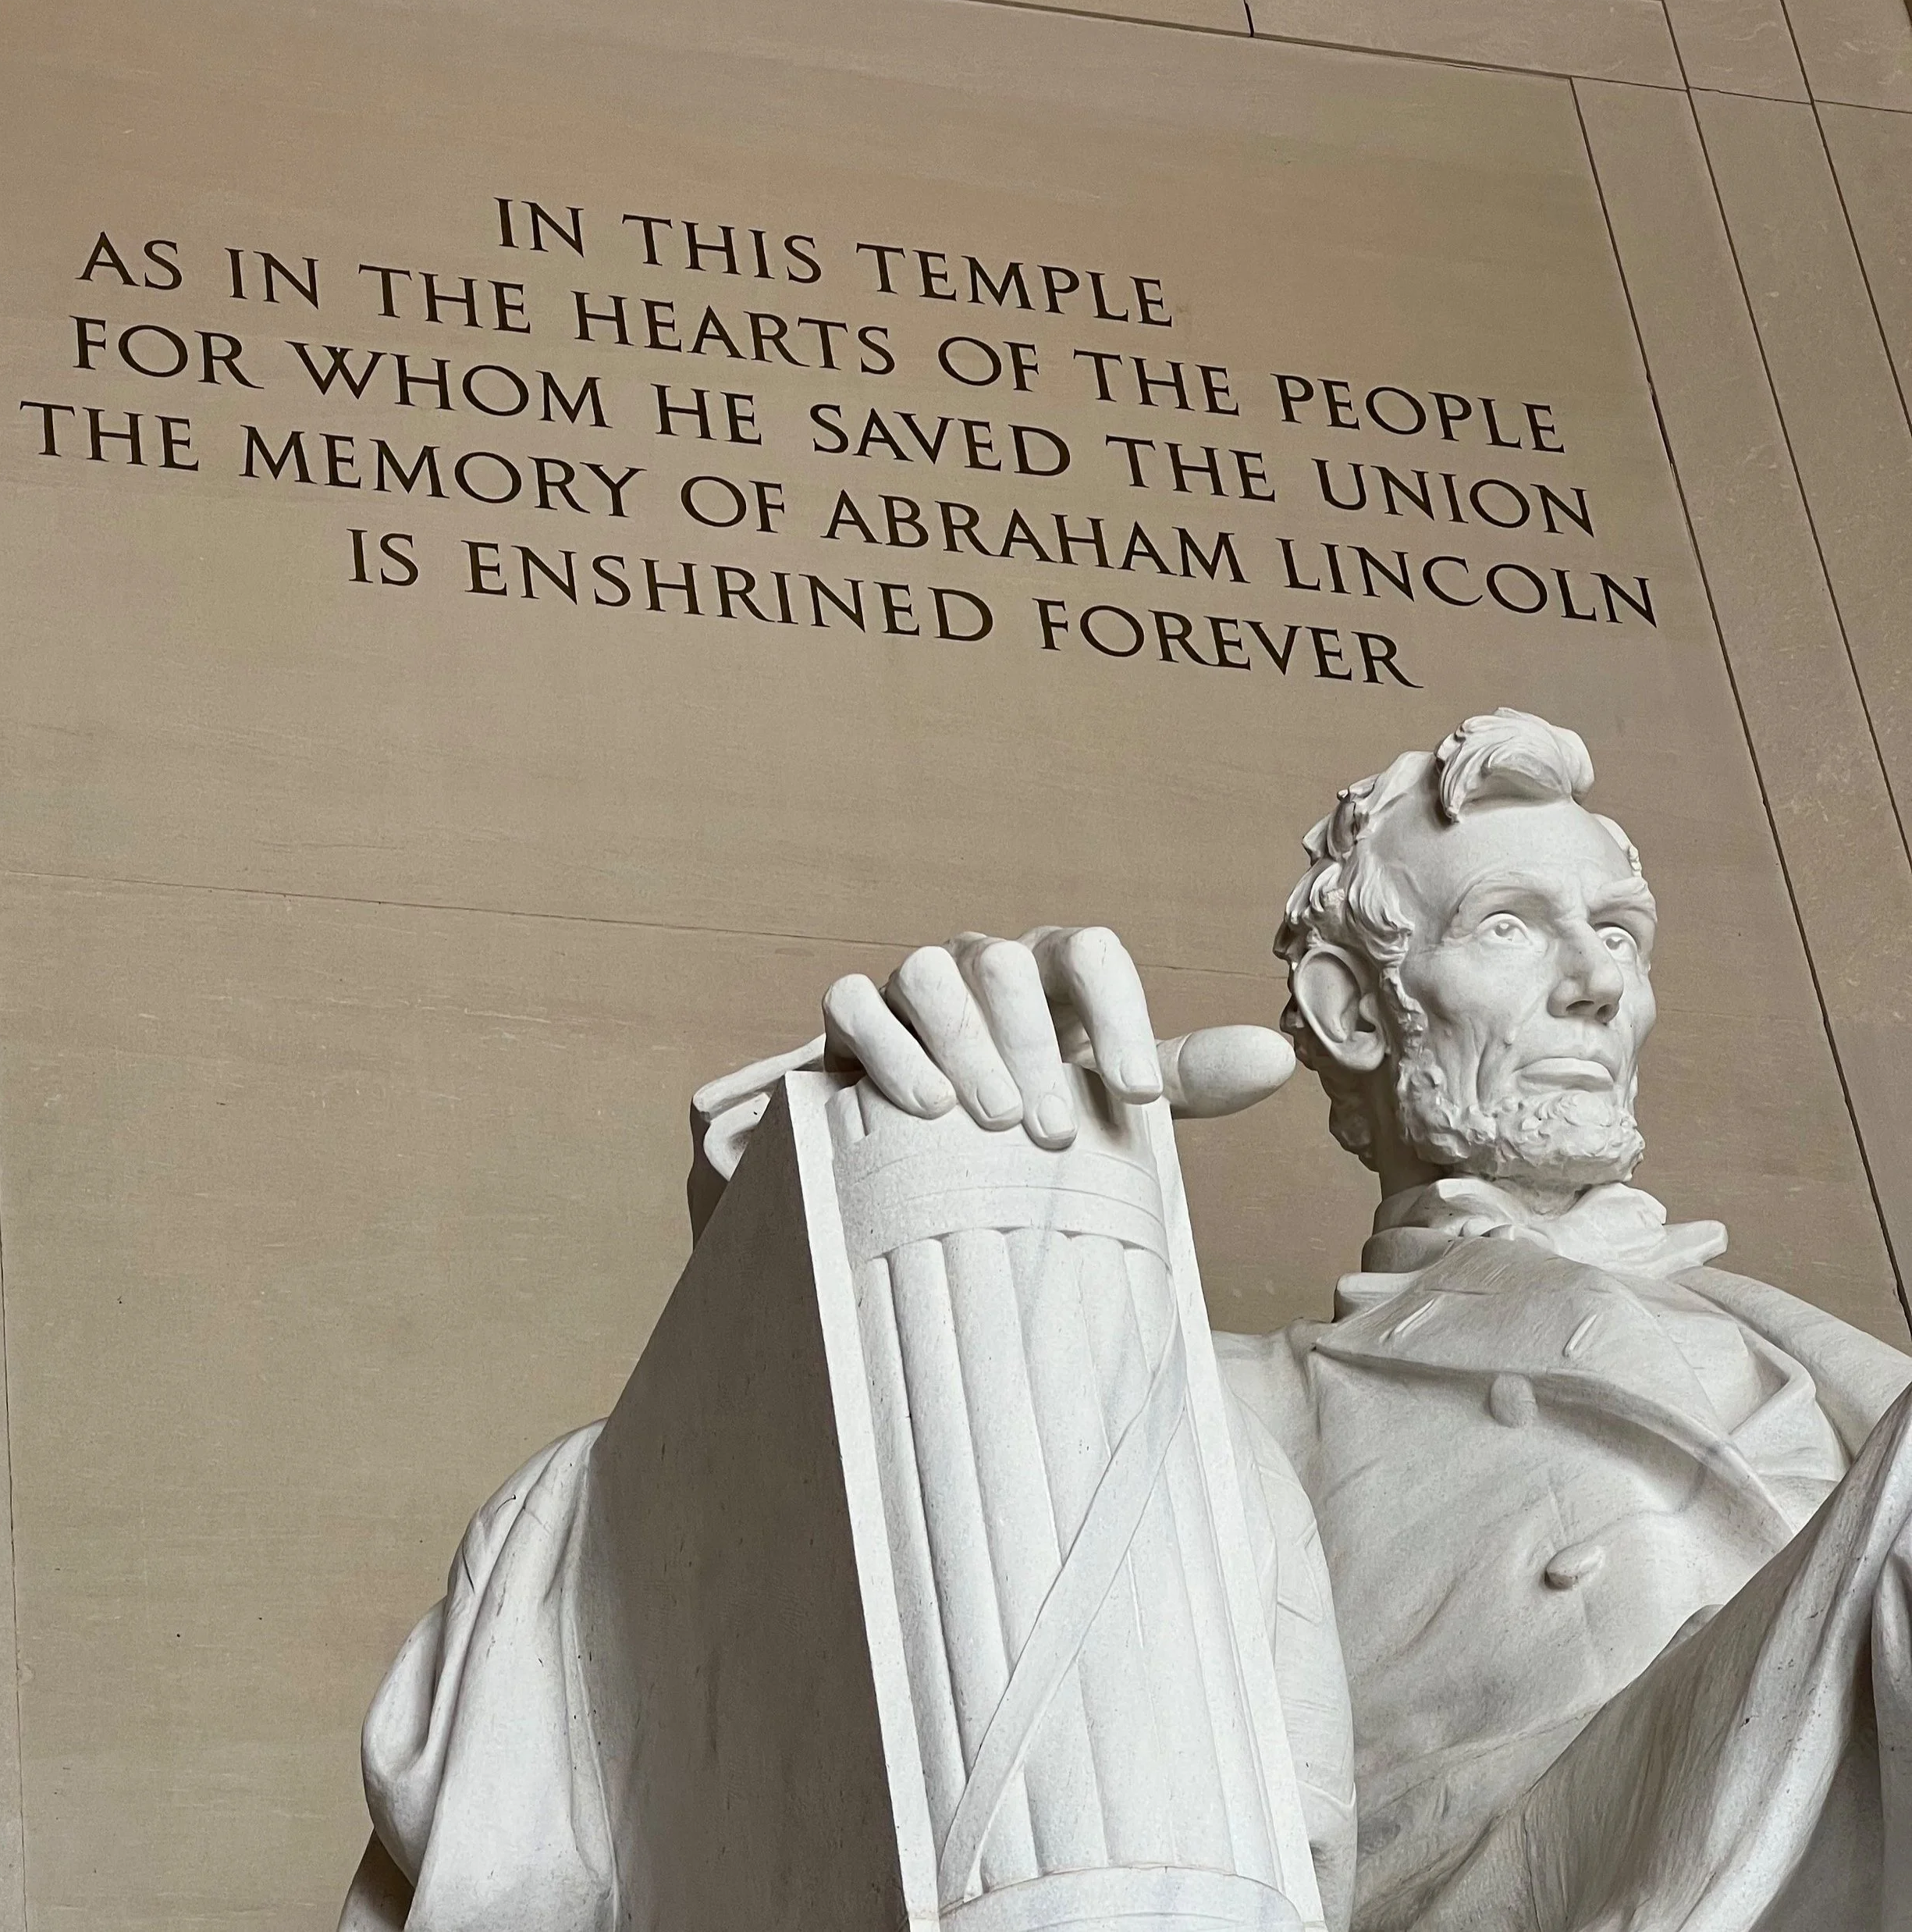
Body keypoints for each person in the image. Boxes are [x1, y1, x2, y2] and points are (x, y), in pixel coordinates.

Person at [342, 710, 1912, 1932]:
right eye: (1510, 925)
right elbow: (713, 1574)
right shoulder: (1225, 1406)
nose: (1594, 984)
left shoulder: (1805, 1348)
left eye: (1616, 933)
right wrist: (871, 1193)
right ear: (1354, 1010)